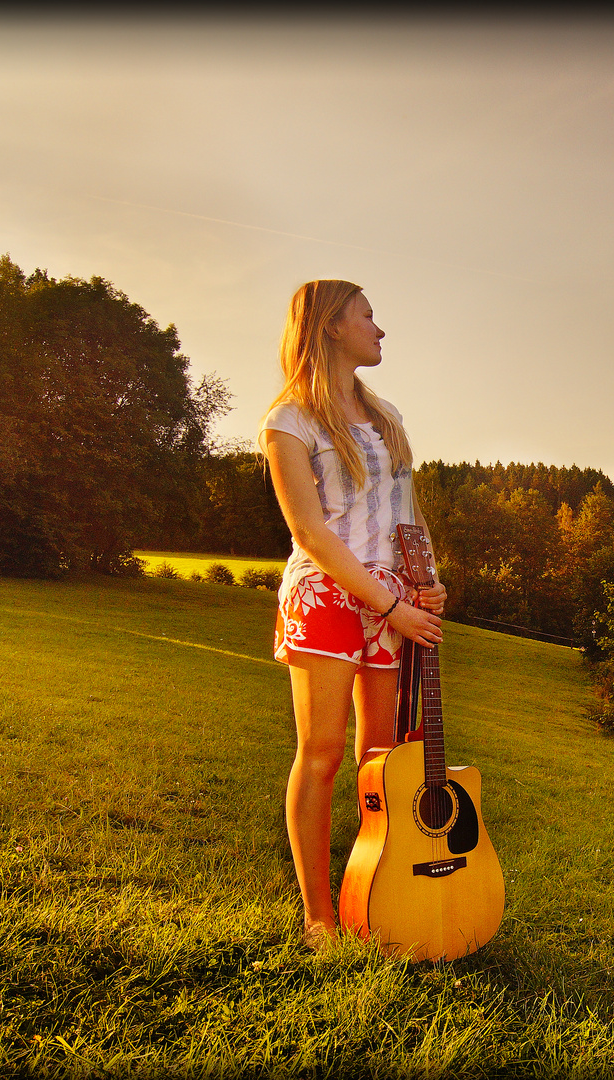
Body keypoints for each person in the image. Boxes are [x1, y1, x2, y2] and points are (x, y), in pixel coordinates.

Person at [257, 279, 445, 943]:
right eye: (368, 315)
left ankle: (378, 895)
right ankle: (318, 918)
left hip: (397, 594)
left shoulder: (387, 415)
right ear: (332, 325)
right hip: (330, 594)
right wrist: (387, 603)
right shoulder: (289, 420)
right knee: (324, 751)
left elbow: (406, 512)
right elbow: (310, 533)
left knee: (383, 757)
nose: (380, 328)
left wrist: (426, 582)